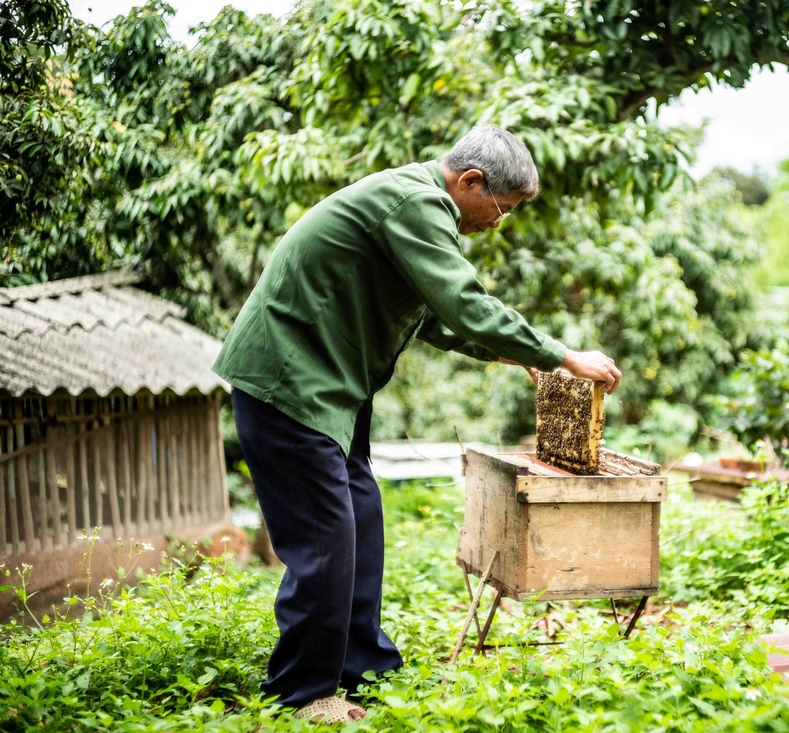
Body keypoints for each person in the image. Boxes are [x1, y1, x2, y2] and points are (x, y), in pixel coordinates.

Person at [212, 126, 623, 722]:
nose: (498, 222)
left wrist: (518, 355)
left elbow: (433, 317)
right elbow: (463, 301)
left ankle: (364, 671)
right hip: (288, 384)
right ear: (471, 182)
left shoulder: (417, 205)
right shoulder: (417, 202)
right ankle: (303, 695)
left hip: (331, 389)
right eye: (500, 208)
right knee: (326, 539)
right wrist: (560, 354)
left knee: (362, 521)